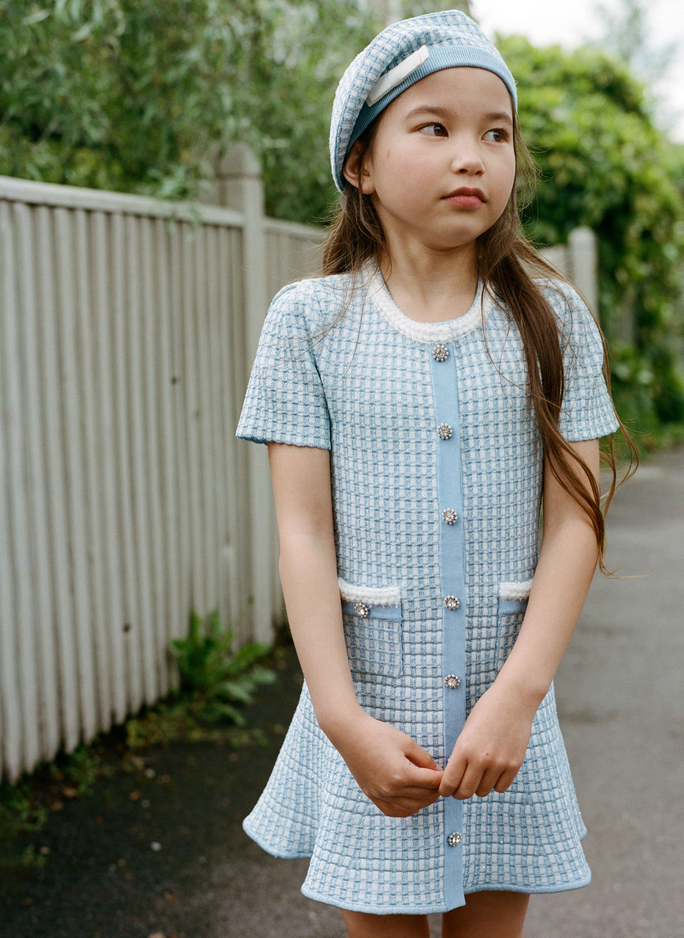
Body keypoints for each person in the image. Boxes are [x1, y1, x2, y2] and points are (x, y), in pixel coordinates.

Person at [236, 10, 635, 938]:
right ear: (360, 165)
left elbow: (574, 519)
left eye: (495, 134)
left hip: (507, 712)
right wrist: (342, 722)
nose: (473, 156)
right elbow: (303, 532)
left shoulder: (553, 318)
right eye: (435, 127)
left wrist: (518, 700)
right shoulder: (309, 323)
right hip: (374, 713)